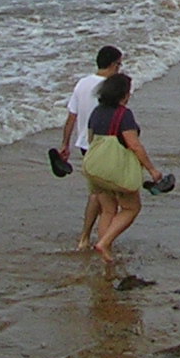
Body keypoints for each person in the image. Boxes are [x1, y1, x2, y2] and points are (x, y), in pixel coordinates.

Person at [83, 73, 166, 265]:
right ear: (123, 95)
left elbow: (90, 140)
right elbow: (134, 145)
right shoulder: (123, 114)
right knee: (131, 207)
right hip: (115, 170)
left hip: (94, 168)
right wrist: (152, 170)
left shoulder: (97, 112)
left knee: (108, 210)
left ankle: (105, 253)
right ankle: (104, 243)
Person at [58, 45, 124, 250]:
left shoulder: (82, 83)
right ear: (113, 64)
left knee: (97, 192)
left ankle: (86, 238)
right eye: (119, 64)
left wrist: (65, 144)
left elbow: (71, 117)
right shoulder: (112, 87)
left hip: (85, 145)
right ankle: (102, 242)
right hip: (106, 146)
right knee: (107, 198)